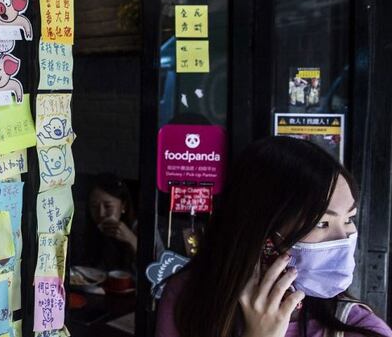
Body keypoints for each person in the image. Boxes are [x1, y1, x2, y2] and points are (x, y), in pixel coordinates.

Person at [156, 136, 392, 337]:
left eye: (349, 219)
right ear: (263, 232)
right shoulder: (188, 299)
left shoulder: (361, 329)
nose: (344, 238)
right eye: (322, 222)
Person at [76, 173, 138, 271]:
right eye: (94, 206)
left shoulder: (142, 228)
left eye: (108, 206)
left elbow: (161, 270)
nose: (101, 213)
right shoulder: (84, 228)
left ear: (123, 206)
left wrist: (131, 239)